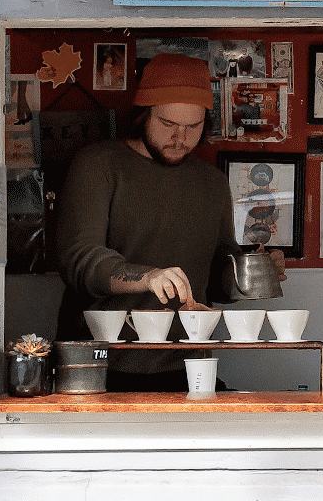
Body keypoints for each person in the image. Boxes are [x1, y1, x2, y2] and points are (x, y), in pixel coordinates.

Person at [54, 52, 284, 392]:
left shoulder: (212, 183)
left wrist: (255, 270)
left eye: (193, 127)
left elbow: (216, 281)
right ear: (143, 115)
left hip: (188, 365)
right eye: (168, 124)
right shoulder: (98, 165)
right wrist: (147, 278)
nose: (180, 138)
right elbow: (78, 260)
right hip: (97, 366)